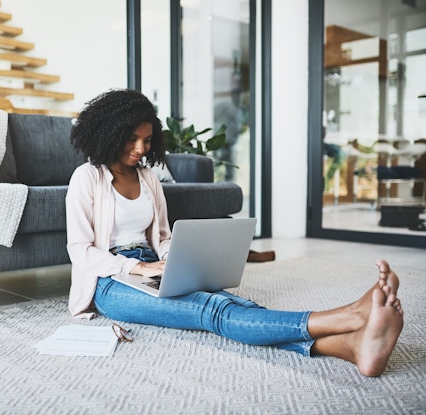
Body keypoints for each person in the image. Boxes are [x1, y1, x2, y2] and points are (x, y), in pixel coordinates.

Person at [65, 89, 404, 377]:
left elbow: (163, 235)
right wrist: (136, 268)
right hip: (110, 281)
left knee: (232, 301)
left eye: (147, 140)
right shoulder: (87, 177)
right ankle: (348, 316)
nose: (140, 148)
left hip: (154, 266)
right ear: (109, 132)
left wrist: (171, 258)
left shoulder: (149, 178)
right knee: (212, 311)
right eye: (132, 139)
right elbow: (80, 251)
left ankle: (350, 346)